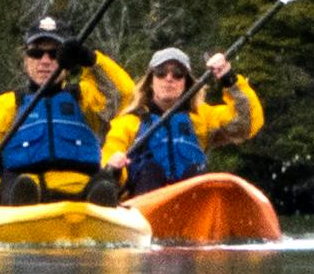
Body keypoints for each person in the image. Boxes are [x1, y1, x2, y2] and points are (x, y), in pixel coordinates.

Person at [0, 15, 138, 204]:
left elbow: (124, 93)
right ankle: (25, 207)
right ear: (25, 60)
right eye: (36, 53)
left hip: (82, 199)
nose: (45, 61)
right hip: (26, 193)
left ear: (67, 62)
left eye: (54, 54)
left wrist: (91, 60)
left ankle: (99, 206)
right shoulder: (6, 105)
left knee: (103, 183)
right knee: (20, 184)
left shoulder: (85, 98)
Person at [104, 45, 264, 198]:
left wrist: (229, 80)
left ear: (186, 83)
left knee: (195, 171)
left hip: (190, 206)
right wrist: (114, 168)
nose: (169, 78)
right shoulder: (128, 122)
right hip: (144, 206)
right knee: (150, 169)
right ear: (151, 81)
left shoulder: (202, 118)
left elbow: (246, 123)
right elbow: (107, 159)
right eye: (161, 72)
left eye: (178, 73)